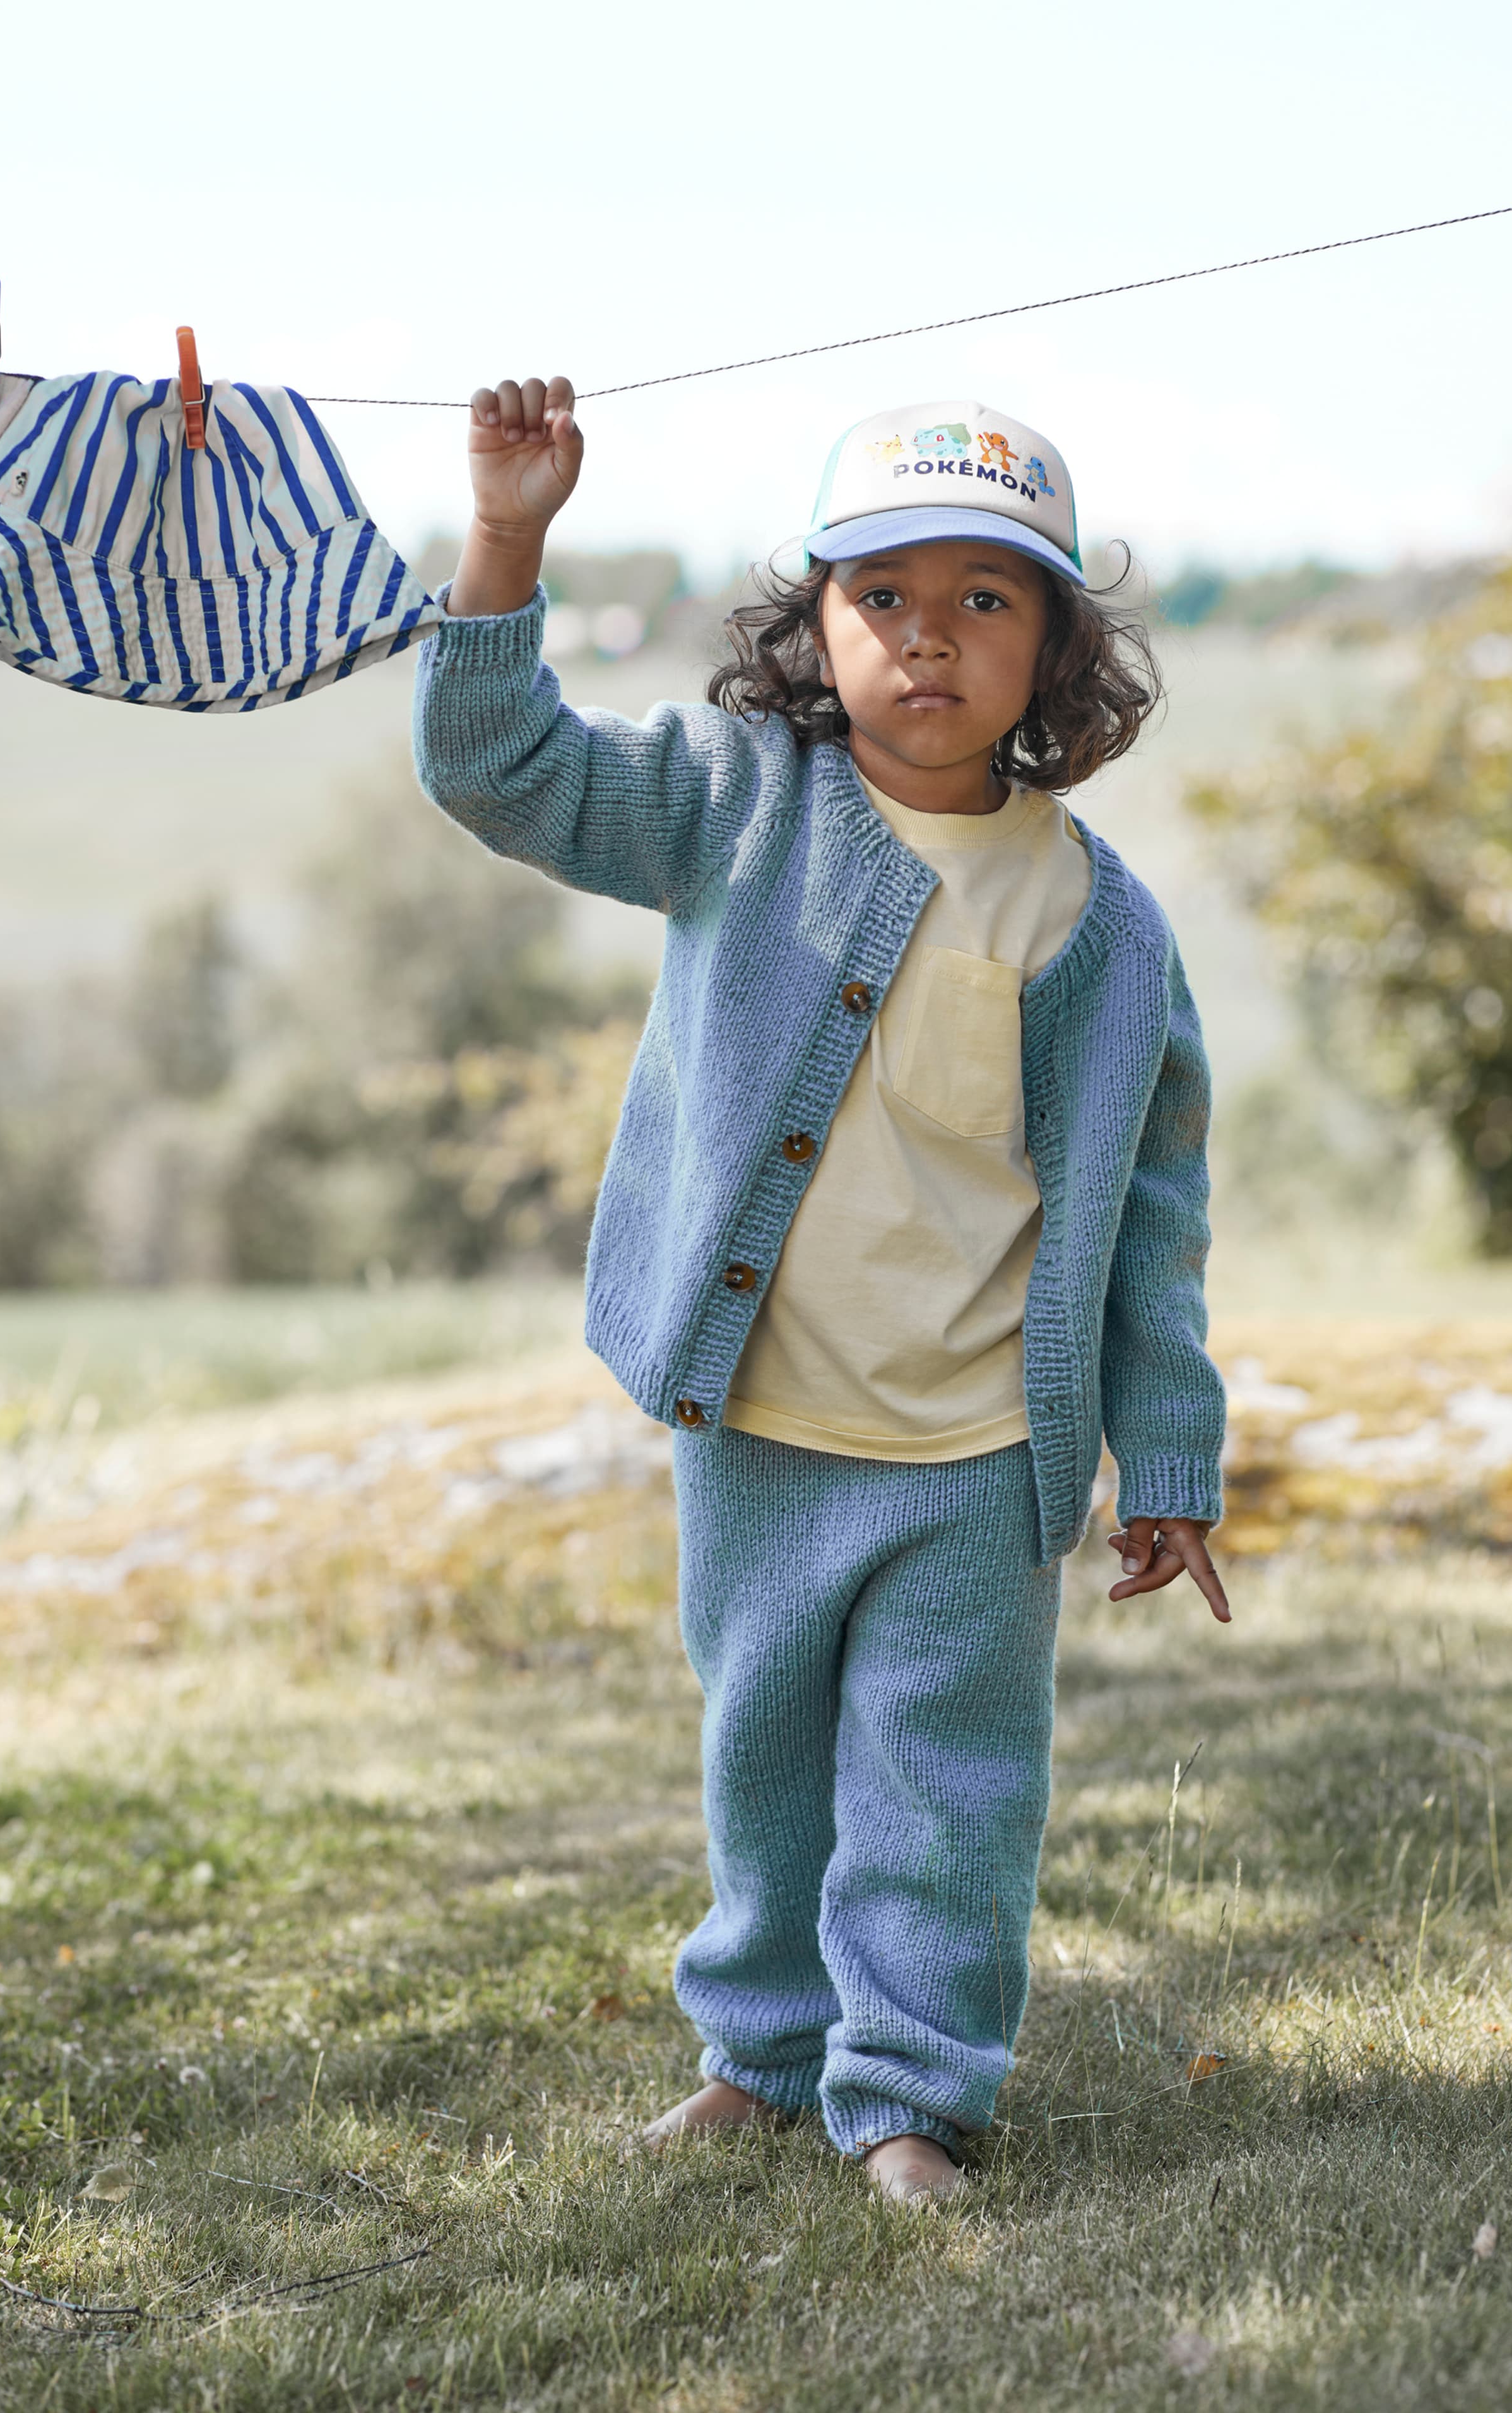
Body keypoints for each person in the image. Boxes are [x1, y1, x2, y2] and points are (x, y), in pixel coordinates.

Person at [413, 376, 1232, 2205]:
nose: (929, 637)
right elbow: (498, 769)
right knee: (765, 1758)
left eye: (985, 599)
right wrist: (509, 535)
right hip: (761, 1416)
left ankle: (913, 2091)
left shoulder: (1102, 925)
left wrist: (1167, 1454)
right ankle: (766, 2056)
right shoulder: (730, 803)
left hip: (978, 1451)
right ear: (817, 625)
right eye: (884, 596)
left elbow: (1152, 1218)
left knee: (948, 1786)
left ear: (1060, 648)